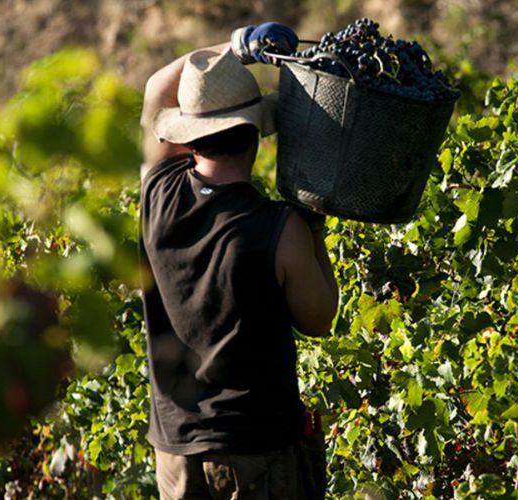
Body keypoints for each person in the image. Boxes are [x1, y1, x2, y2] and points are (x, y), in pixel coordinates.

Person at [138, 21, 338, 500]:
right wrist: (314, 227)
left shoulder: (157, 191)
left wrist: (233, 47)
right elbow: (319, 317)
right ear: (256, 136)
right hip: (255, 452)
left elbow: (154, 89)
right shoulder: (280, 228)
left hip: (175, 450)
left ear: (188, 134)